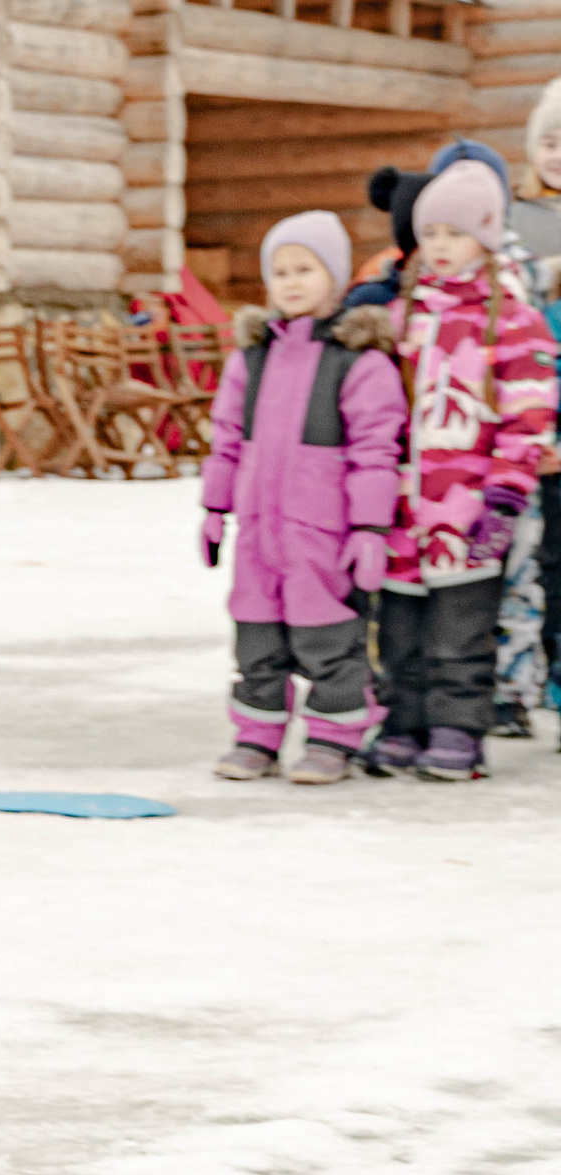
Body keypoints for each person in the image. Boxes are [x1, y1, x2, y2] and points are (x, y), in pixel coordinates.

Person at [365, 143, 558, 780]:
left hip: (469, 507)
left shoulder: (513, 321)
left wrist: (505, 497)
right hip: (402, 508)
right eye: (431, 234)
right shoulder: (401, 317)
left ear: (486, 236)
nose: (441, 246)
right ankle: (404, 723)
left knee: (460, 630)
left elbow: (528, 416)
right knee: (400, 628)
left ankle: (457, 730)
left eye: (455, 232)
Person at [198, 213, 403, 784]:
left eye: (305, 269)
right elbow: (226, 441)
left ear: (334, 277)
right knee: (256, 636)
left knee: (328, 638)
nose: (290, 282)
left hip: (322, 532)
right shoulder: (251, 359)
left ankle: (332, 739)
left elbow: (375, 450)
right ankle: (256, 738)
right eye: (280, 271)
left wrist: (369, 527)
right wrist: (214, 509)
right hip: (258, 532)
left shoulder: (357, 361)